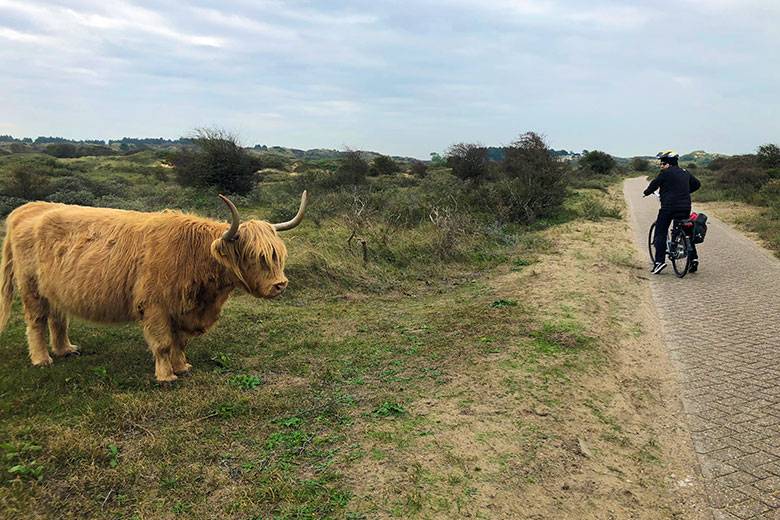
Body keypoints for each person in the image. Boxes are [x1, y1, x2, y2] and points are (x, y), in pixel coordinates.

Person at [643, 151, 701, 274]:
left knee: (660, 232)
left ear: (669, 164)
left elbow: (654, 184)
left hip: (668, 208)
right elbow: (697, 184)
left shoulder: (665, 174)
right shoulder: (686, 173)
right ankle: (693, 258)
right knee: (686, 232)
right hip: (685, 207)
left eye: (663, 163)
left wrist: (647, 192)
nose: (661, 166)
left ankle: (659, 262)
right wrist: (685, 192)